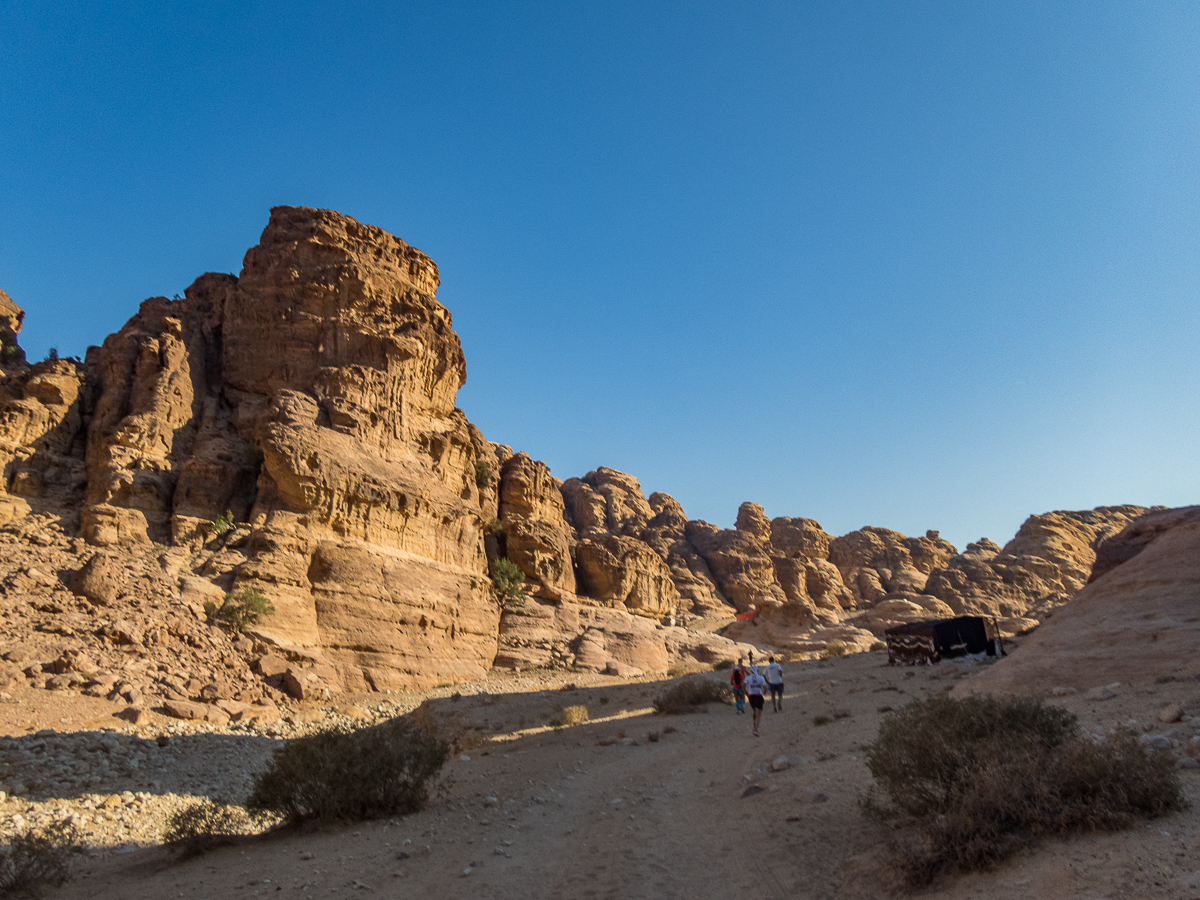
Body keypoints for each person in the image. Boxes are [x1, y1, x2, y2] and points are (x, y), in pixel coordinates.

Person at [744, 665, 767, 736]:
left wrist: (745, 692)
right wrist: (764, 692)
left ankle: (754, 725)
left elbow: (742, 684)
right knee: (758, 714)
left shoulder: (748, 678)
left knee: (754, 711)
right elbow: (765, 687)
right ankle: (755, 729)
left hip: (751, 696)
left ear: (751, 671)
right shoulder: (761, 678)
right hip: (758, 696)